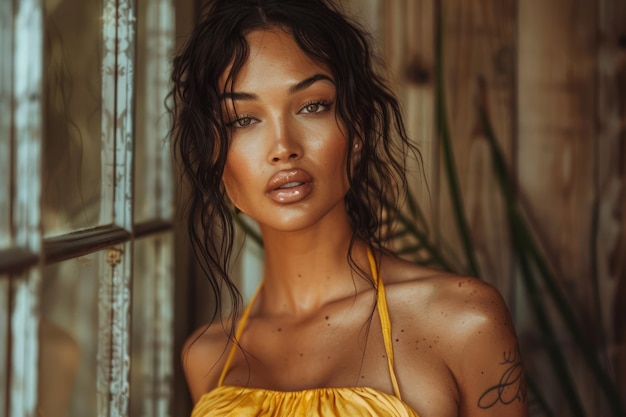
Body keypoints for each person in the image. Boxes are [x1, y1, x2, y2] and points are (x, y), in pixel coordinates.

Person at [169, 1, 528, 416]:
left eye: (312, 106)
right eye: (243, 120)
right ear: (214, 157)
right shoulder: (206, 355)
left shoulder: (462, 319)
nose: (284, 147)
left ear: (356, 128)